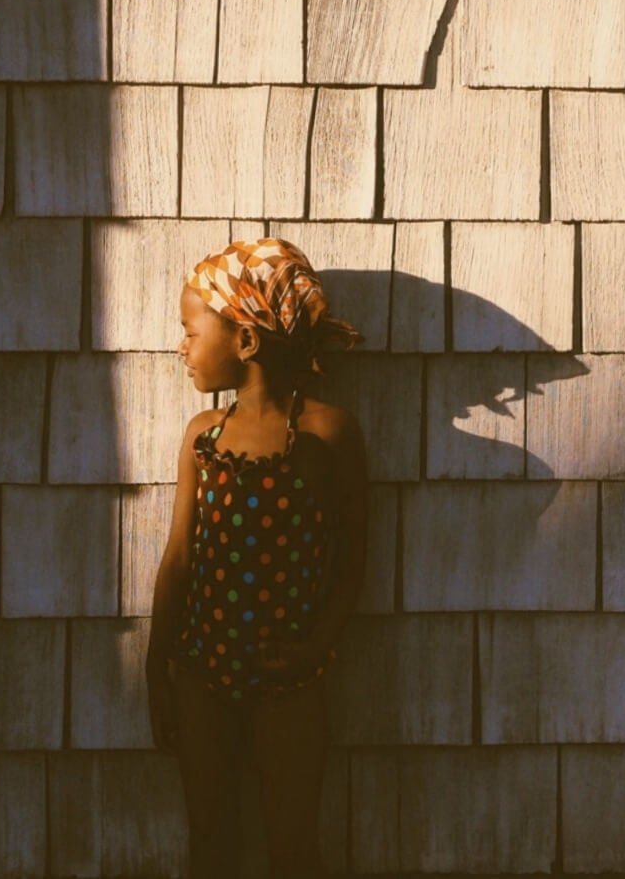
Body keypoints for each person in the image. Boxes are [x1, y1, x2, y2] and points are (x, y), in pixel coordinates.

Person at [147, 238, 368, 879]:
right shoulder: (202, 436)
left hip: (290, 680)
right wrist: (158, 669)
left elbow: (353, 561)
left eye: (191, 331)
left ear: (246, 342)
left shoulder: (329, 434)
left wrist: (312, 648)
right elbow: (180, 557)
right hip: (200, 673)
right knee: (210, 839)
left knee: (293, 846)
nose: (182, 346)